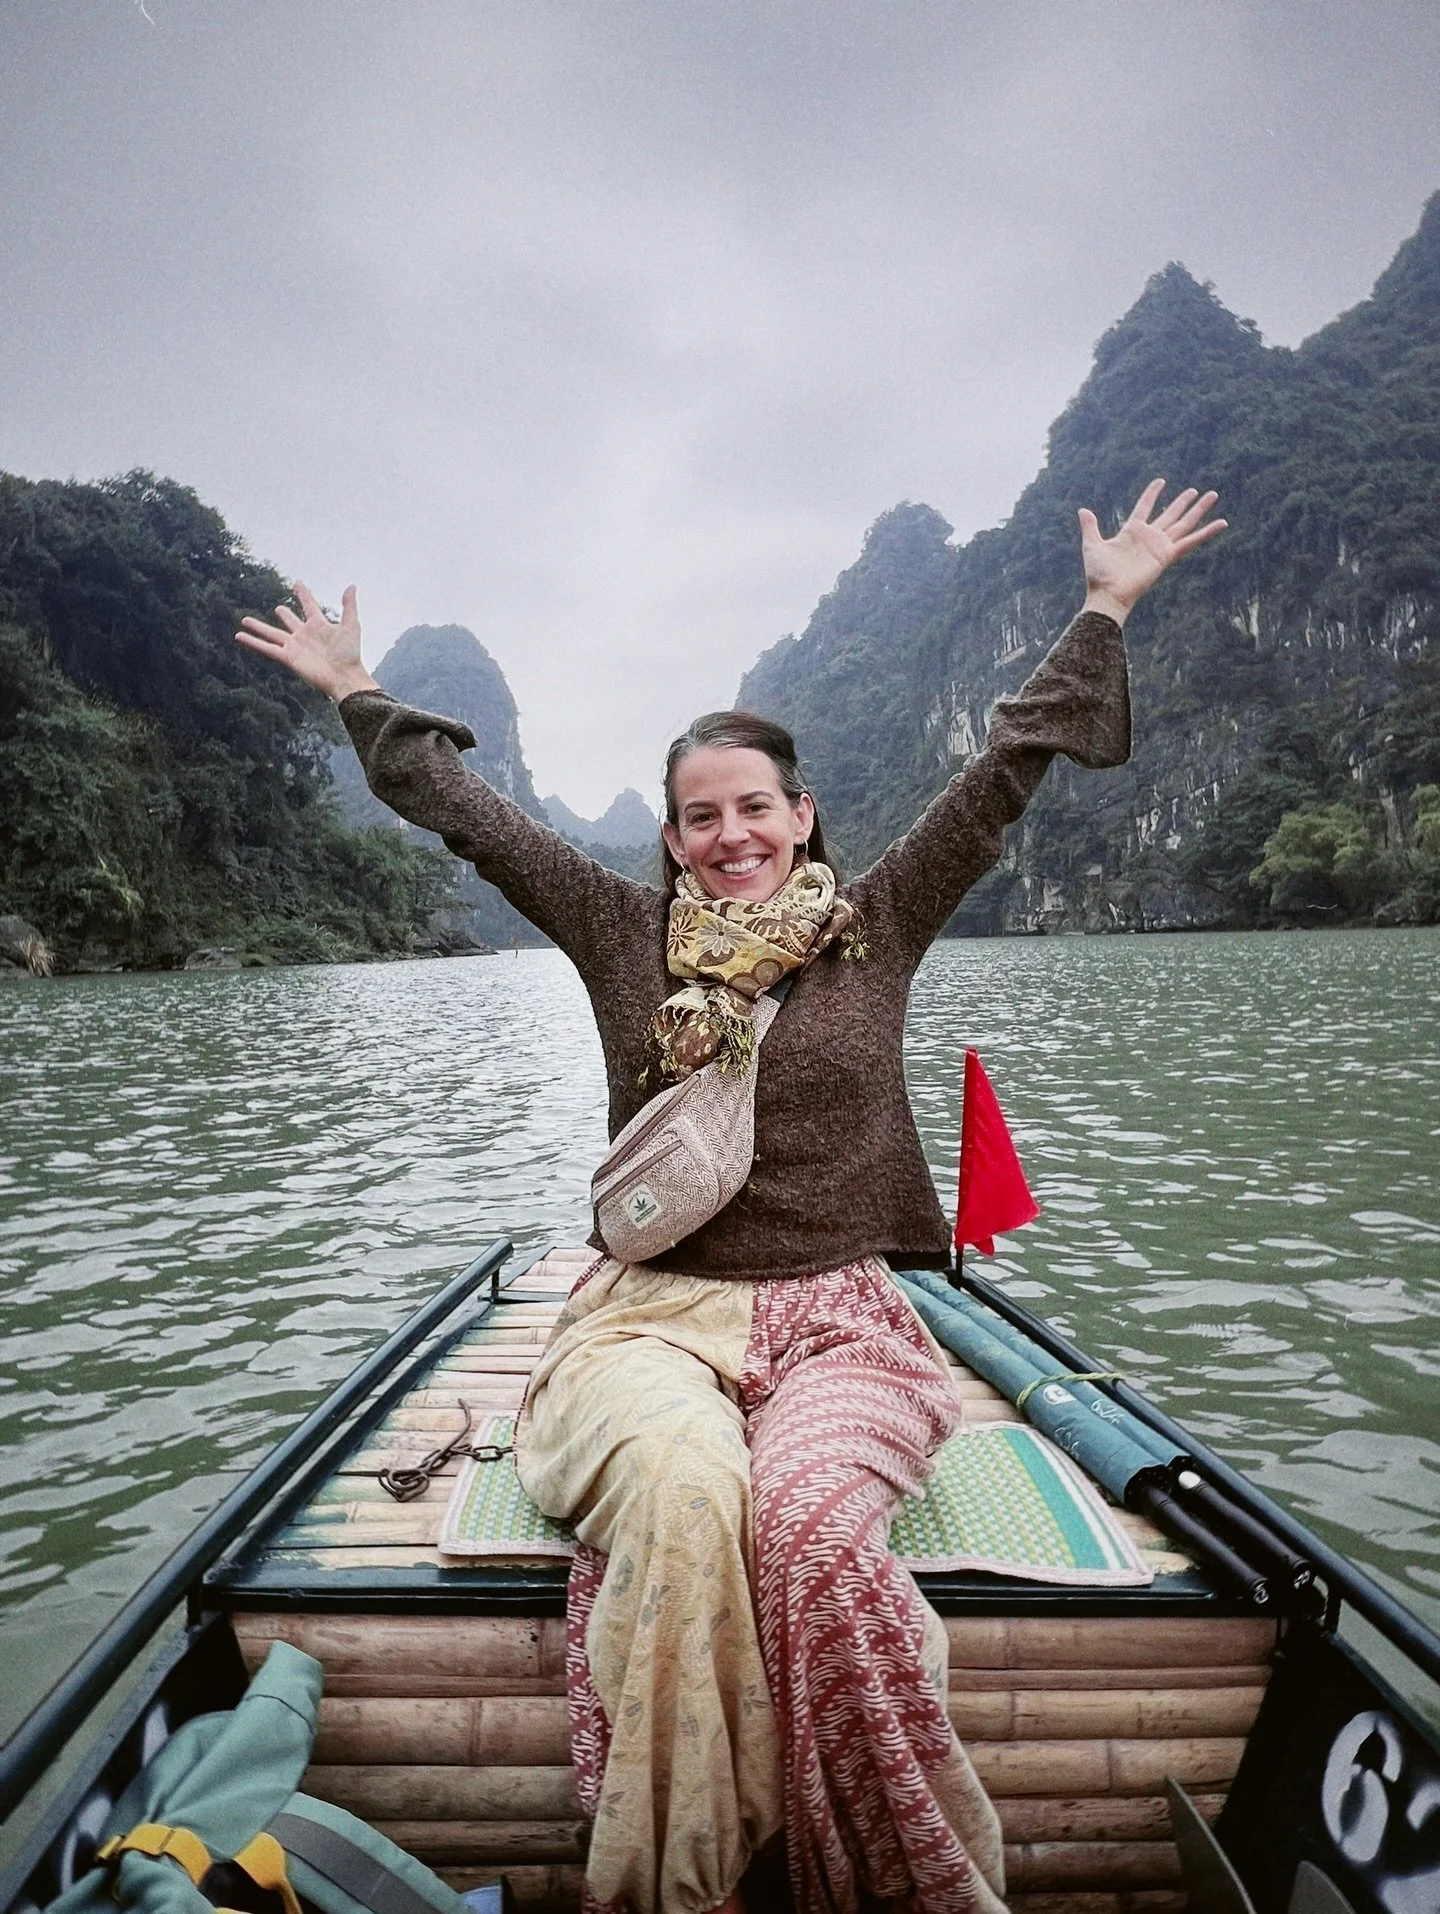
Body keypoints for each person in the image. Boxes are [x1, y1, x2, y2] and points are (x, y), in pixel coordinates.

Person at [236, 479, 1224, 1914]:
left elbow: (1006, 765)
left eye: (755, 806)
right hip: (651, 1316)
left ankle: (900, 1880)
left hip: (842, 1321)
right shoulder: (617, 931)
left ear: (802, 815)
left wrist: (1105, 607)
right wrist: (356, 689)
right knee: (689, 1495)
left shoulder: (876, 927)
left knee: (814, 1532)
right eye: (700, 817)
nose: (731, 834)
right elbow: (471, 817)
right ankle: (683, 1886)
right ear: (672, 837)